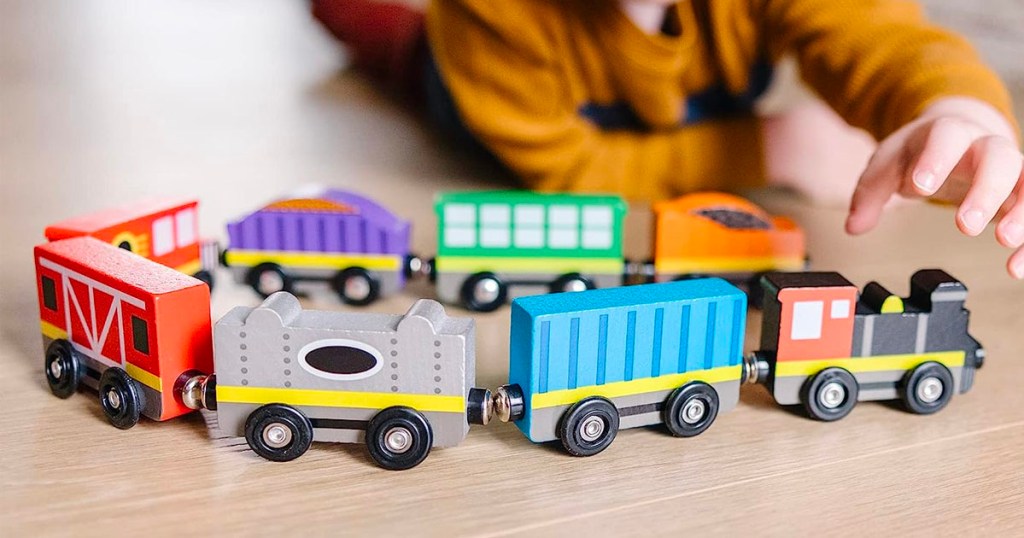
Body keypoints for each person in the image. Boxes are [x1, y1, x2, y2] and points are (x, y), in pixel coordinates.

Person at [311, 0, 1024, 278]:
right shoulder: (487, 16)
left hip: (677, 101)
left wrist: (956, 111)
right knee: (402, 54)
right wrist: (769, 147)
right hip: (480, 90)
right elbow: (569, 168)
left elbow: (882, 40)